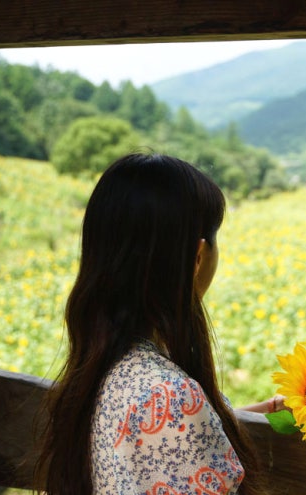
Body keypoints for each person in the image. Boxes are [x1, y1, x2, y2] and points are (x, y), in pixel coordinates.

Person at [35, 153, 284, 495]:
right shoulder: (168, 396)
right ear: (198, 258)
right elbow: (169, 423)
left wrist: (219, 417)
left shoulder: (101, 369)